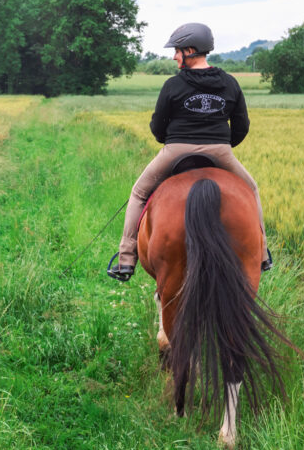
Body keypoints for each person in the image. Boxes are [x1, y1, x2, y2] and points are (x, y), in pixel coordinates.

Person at [107, 23, 272, 281]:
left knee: (139, 192)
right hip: (220, 151)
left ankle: (126, 259)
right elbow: (242, 127)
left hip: (176, 150)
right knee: (251, 189)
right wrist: (222, 146)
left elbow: (157, 126)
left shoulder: (173, 85)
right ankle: (262, 253)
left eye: (177, 51)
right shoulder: (230, 83)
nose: (174, 57)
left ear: (191, 50)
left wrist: (170, 141)